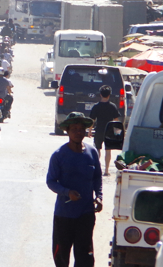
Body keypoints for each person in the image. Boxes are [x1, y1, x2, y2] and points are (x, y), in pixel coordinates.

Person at [47, 112, 103, 267]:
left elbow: (97, 177)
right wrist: (67, 192)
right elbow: (51, 181)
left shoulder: (91, 152)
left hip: (86, 214)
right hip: (64, 215)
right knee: (61, 256)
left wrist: (99, 196)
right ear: (67, 132)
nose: (78, 132)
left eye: (81, 129)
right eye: (74, 129)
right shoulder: (59, 155)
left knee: (85, 257)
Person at [88, 85, 120, 176]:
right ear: (109, 95)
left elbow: (92, 120)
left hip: (99, 130)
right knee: (108, 150)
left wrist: (90, 130)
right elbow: (116, 120)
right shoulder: (112, 106)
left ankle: (97, 169)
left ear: (100, 95)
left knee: (97, 149)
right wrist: (117, 132)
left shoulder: (96, 106)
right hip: (109, 130)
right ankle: (106, 170)